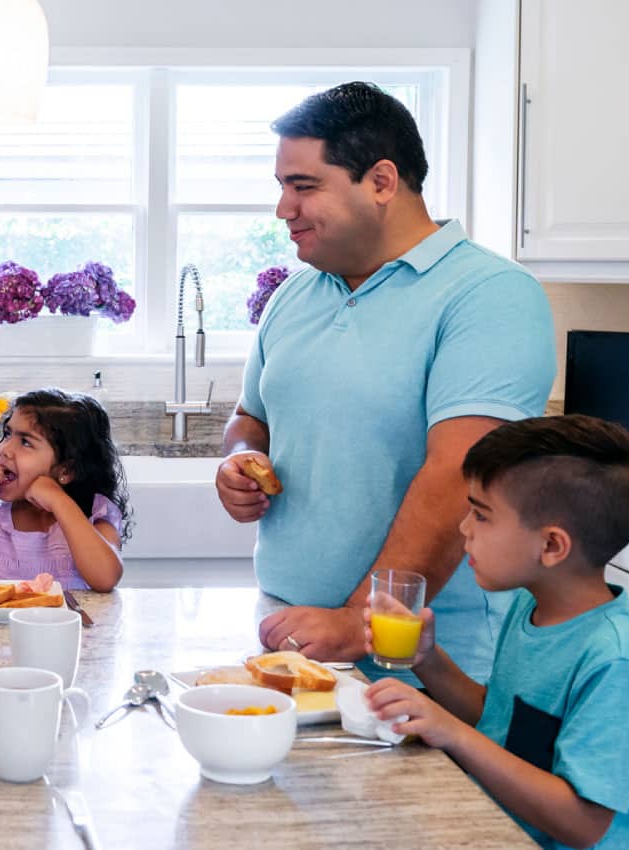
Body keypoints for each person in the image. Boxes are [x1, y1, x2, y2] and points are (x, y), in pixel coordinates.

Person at [215, 81, 556, 682]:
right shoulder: (293, 295)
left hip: (426, 656)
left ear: (380, 181)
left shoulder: (491, 294)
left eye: (303, 187)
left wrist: (361, 619)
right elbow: (252, 419)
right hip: (293, 631)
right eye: (281, 188)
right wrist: (240, 461)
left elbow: (459, 472)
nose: (282, 210)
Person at [365, 415, 629, 850]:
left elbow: (583, 823)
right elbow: (500, 718)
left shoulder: (615, 661)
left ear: (551, 546)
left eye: (481, 516)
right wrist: (427, 660)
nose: (464, 528)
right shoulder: (531, 605)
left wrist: (455, 735)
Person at [0, 388, 129, 592]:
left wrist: (59, 501)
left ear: (66, 469)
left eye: (25, 442)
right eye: (7, 434)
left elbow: (105, 579)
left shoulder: (94, 518)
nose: (4, 449)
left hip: (66, 626)